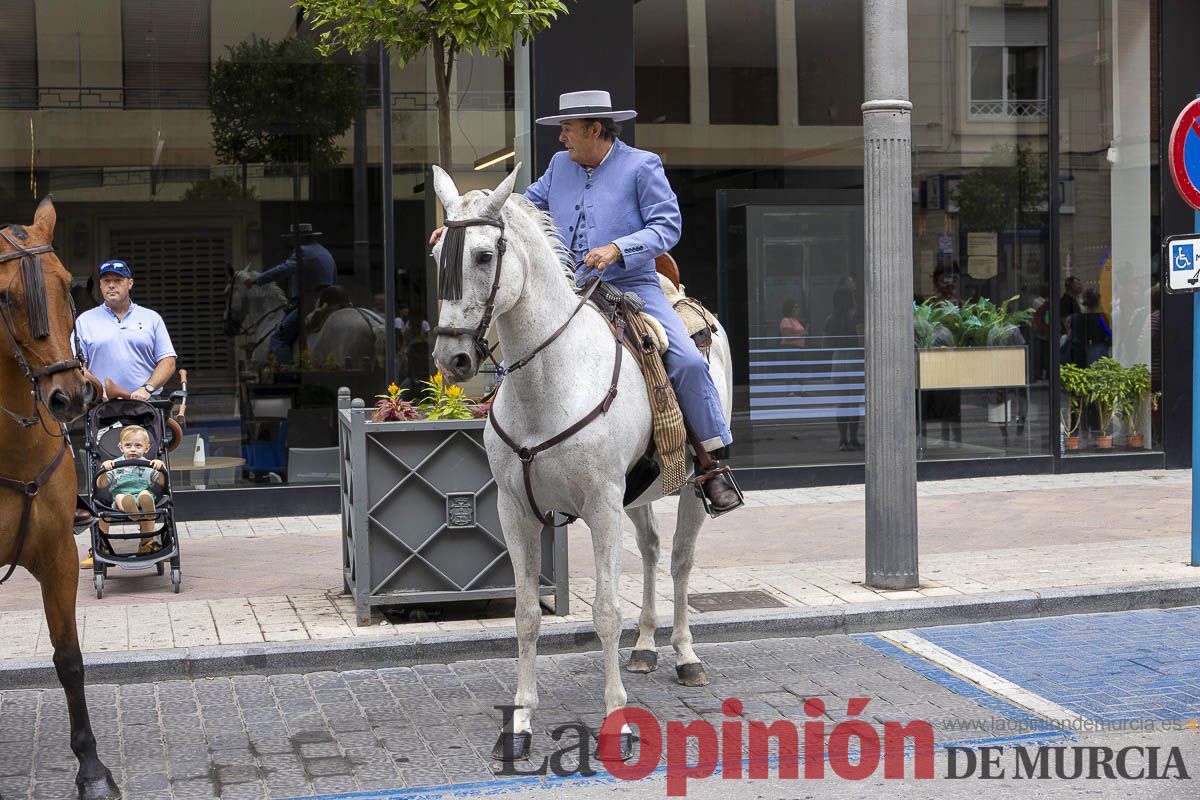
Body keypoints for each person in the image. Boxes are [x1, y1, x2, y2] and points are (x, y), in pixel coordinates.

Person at [431, 89, 742, 515]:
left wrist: (618, 248)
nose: (561, 138)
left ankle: (710, 464)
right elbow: (520, 206)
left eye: (568, 129)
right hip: (572, 288)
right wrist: (465, 229)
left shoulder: (641, 165)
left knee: (686, 359)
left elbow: (667, 226)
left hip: (634, 287)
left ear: (596, 129)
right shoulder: (561, 167)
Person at [74, 258, 177, 567]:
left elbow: (168, 360)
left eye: (118, 279)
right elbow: (78, 364)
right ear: (100, 286)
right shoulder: (86, 321)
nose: (111, 285)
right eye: (106, 280)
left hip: (145, 409)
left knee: (146, 472)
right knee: (104, 469)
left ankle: (149, 540)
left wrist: (147, 387)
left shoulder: (151, 318)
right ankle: (99, 547)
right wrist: (94, 386)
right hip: (103, 411)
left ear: (130, 283)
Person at [245, 223, 337, 365]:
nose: (291, 242)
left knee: (278, 338)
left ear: (300, 238)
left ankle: (287, 373)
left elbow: (285, 269)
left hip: (309, 303)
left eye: (293, 238)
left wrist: (258, 279)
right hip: (331, 301)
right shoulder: (325, 252)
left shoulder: (302, 251)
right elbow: (335, 279)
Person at [94, 425, 167, 537]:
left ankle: (147, 508)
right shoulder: (114, 465)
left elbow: (162, 482)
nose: (133, 449)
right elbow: (101, 484)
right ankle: (131, 510)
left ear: (146, 448)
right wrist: (104, 470)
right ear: (121, 447)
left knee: (146, 494)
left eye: (138, 446)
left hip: (141, 496)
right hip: (122, 495)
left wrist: (161, 468)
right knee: (119, 498)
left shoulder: (149, 464)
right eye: (128, 445)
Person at [824, 284, 861, 451]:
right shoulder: (856, 317)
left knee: (842, 402)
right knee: (854, 403)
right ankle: (854, 438)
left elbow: (825, 345)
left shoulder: (830, 319)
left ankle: (842, 439)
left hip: (838, 359)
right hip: (854, 359)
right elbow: (862, 341)